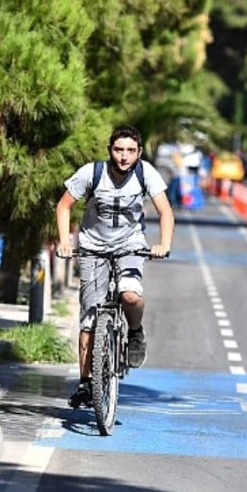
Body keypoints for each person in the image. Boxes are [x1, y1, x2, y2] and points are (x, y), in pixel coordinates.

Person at [55, 125, 175, 408]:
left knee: (130, 294)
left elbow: (165, 210)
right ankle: (86, 383)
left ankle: (135, 332)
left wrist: (163, 244)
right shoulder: (91, 173)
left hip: (130, 246)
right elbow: (63, 206)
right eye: (119, 150)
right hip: (92, 248)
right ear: (110, 150)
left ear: (139, 153)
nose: (124, 156)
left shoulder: (146, 173)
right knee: (89, 319)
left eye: (130, 151)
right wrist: (63, 241)